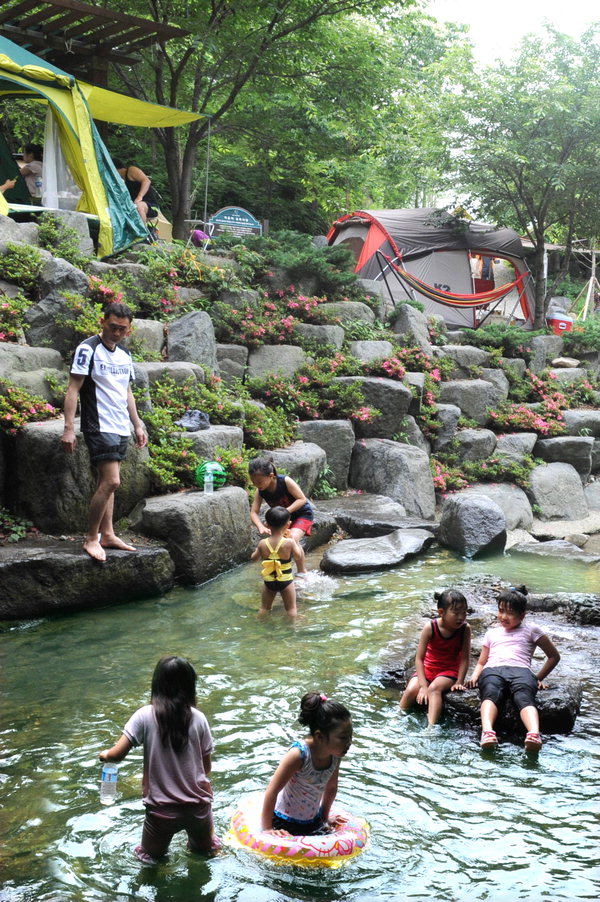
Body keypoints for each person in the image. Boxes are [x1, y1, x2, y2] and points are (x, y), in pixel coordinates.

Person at [99, 655, 220, 864]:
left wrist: (105, 755)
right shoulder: (199, 718)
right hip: (198, 808)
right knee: (205, 854)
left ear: (156, 684)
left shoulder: (144, 716)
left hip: (161, 811)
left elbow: (117, 755)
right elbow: (206, 768)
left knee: (150, 859)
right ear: (191, 686)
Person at [61, 301, 147, 562]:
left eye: (122, 329)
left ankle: (108, 534)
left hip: (120, 425)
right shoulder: (88, 349)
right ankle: (91, 538)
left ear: (129, 330)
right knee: (112, 481)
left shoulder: (124, 354)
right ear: (102, 322)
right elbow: (73, 389)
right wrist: (68, 428)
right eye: (112, 327)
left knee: (108, 483)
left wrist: (137, 423)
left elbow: (127, 392)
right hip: (98, 423)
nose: (117, 333)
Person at [466, 585, 561, 752]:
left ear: (522, 615)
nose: (504, 616)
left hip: (521, 670)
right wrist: (475, 675)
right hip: (493, 669)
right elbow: (482, 661)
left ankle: (533, 734)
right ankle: (487, 731)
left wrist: (538, 678)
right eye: (501, 610)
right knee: (490, 693)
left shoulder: (532, 630)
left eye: (510, 613)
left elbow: (554, 656)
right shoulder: (491, 633)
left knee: (524, 697)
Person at [261, 691, 352, 836]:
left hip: (313, 820)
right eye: (342, 737)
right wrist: (267, 829)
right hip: (283, 820)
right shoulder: (299, 755)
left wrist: (324, 818)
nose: (349, 742)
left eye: (350, 736)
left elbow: (331, 787)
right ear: (319, 736)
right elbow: (272, 790)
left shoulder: (335, 756)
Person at [399, 589, 471, 725]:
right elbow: (419, 659)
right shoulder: (430, 627)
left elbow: (465, 658)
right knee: (410, 690)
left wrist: (459, 682)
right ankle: (398, 717)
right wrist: (423, 685)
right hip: (428, 667)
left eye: (464, 612)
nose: (461, 617)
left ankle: (431, 727)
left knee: (434, 689)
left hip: (449, 670)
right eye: (456, 613)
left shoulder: (464, 628)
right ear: (441, 613)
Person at [248, 457, 313, 577]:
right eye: (254, 483)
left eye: (260, 482)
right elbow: (253, 512)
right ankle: (280, 572)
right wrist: (260, 526)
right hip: (281, 519)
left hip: (302, 514)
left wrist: (285, 512)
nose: (257, 486)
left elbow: (302, 499)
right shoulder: (260, 491)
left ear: (271, 475)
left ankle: (302, 572)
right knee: (279, 542)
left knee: (292, 538)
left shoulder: (285, 481)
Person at [250, 506, 305, 618]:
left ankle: (260, 624)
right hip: (285, 581)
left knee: (265, 608)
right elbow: (298, 556)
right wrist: (294, 541)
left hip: (269, 581)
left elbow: (253, 558)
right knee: (291, 609)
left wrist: (259, 551)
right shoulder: (289, 542)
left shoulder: (262, 543)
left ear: (266, 525)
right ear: (288, 524)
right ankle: (293, 629)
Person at [113, 159, 159, 225]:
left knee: (138, 207)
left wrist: (139, 197)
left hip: (150, 205)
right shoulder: (121, 182)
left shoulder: (131, 170)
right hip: (133, 207)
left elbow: (146, 181)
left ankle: (142, 233)